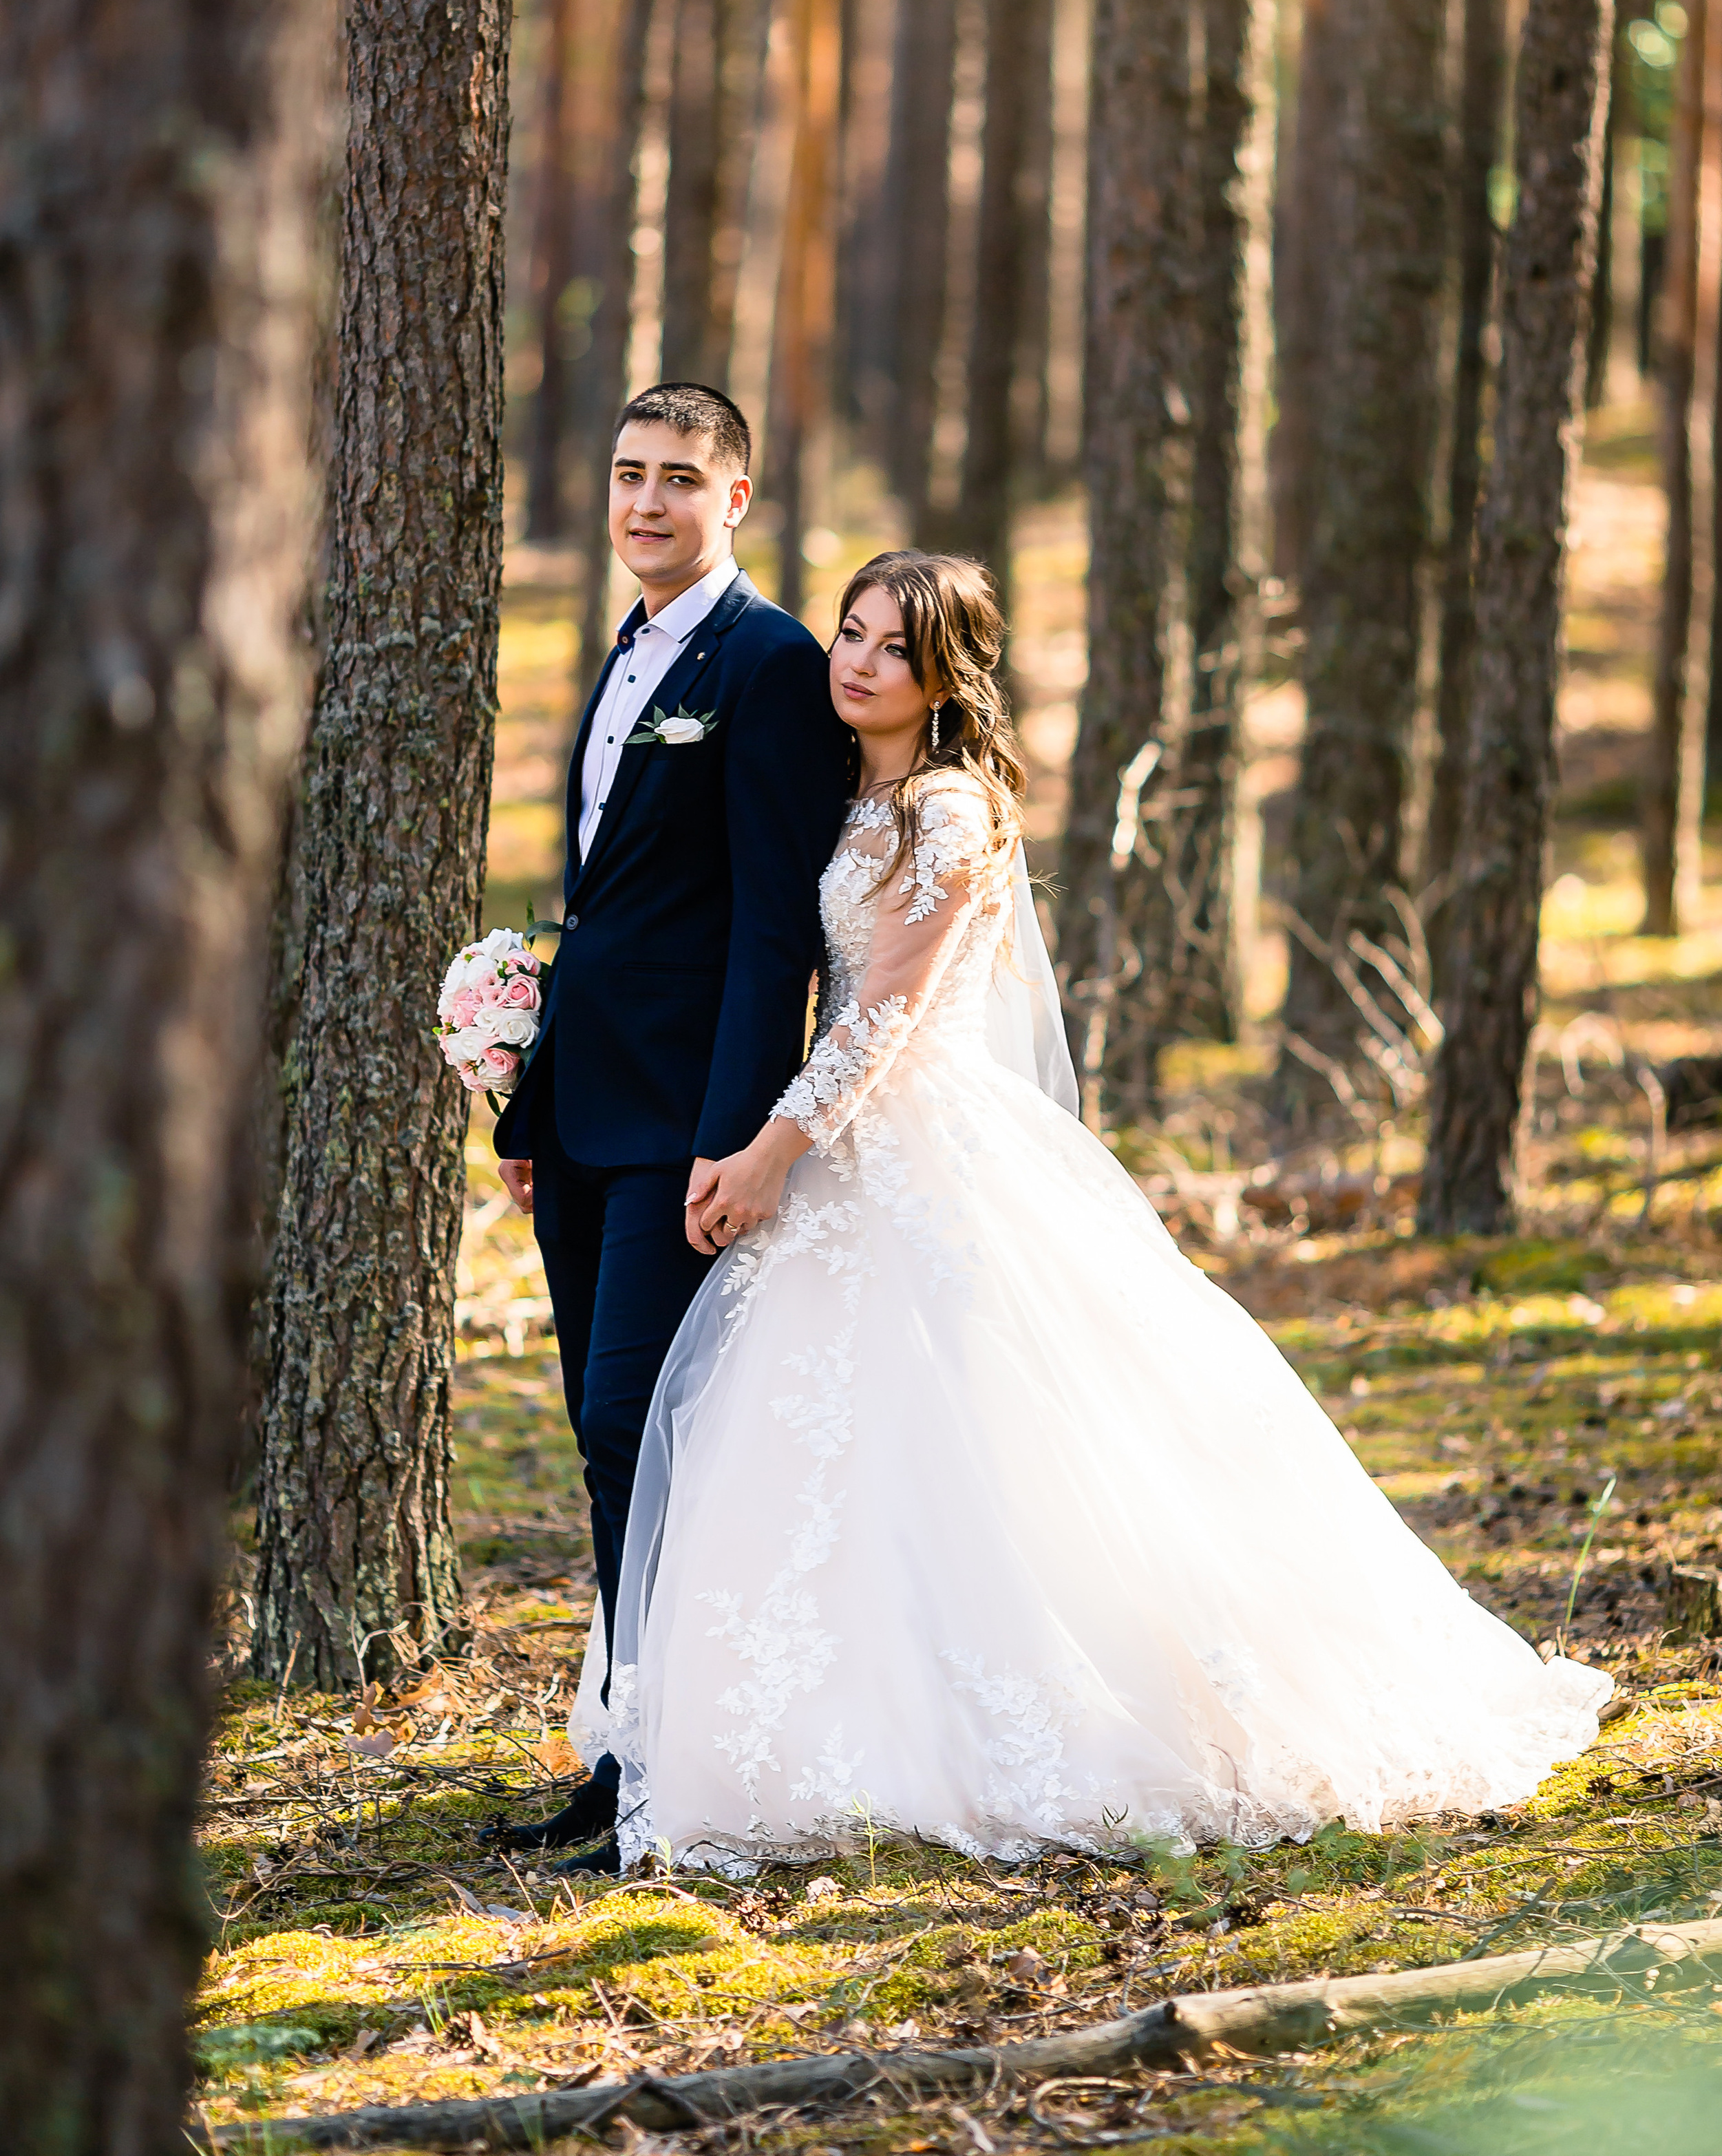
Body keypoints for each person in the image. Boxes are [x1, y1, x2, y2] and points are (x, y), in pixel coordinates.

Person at [564, 548, 1610, 1871]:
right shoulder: (842, 792)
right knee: (816, 1441)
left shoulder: (951, 811)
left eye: (894, 647)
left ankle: (1047, 1718)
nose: (859, 661)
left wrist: (771, 1146)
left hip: (916, 1145)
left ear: (945, 677)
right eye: (851, 632)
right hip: (831, 1155)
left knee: (994, 1425)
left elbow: (883, 1016)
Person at [485, 383, 850, 1863]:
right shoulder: (628, 647)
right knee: (603, 1444)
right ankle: (623, 1748)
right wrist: (529, 1097)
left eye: (680, 479)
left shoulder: (769, 665)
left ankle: (677, 1766)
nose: (647, 501)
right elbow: (604, 907)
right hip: (584, 1112)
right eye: (630, 473)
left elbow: (774, 927)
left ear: (734, 499)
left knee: (637, 1422)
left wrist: (738, 1135)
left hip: (683, 1129)